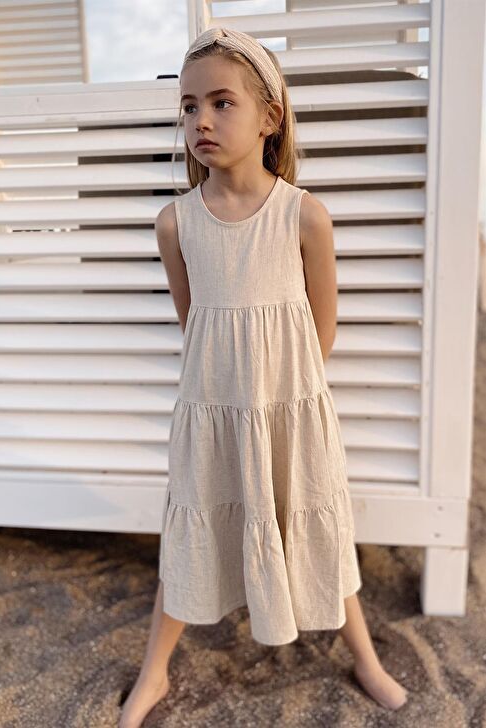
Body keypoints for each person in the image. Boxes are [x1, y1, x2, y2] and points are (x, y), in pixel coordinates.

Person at [119, 27, 409, 728]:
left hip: (289, 415)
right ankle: (155, 671)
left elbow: (320, 332)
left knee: (314, 530)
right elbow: (196, 325)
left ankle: (365, 658)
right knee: (191, 537)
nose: (202, 120)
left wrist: (280, 400)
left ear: (269, 117)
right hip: (213, 415)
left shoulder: (303, 217)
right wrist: (230, 393)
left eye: (222, 103)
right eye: (189, 106)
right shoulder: (175, 224)